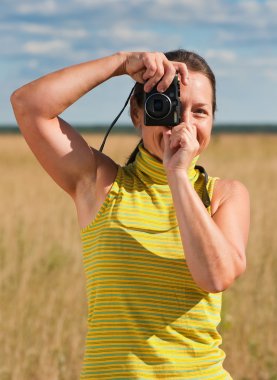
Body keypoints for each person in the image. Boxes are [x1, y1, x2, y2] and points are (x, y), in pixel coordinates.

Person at [11, 50, 250, 379]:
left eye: (200, 112)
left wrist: (178, 176)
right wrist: (122, 64)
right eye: (170, 106)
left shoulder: (224, 195)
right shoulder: (100, 183)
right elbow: (28, 105)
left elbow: (215, 277)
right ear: (138, 114)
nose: (184, 123)